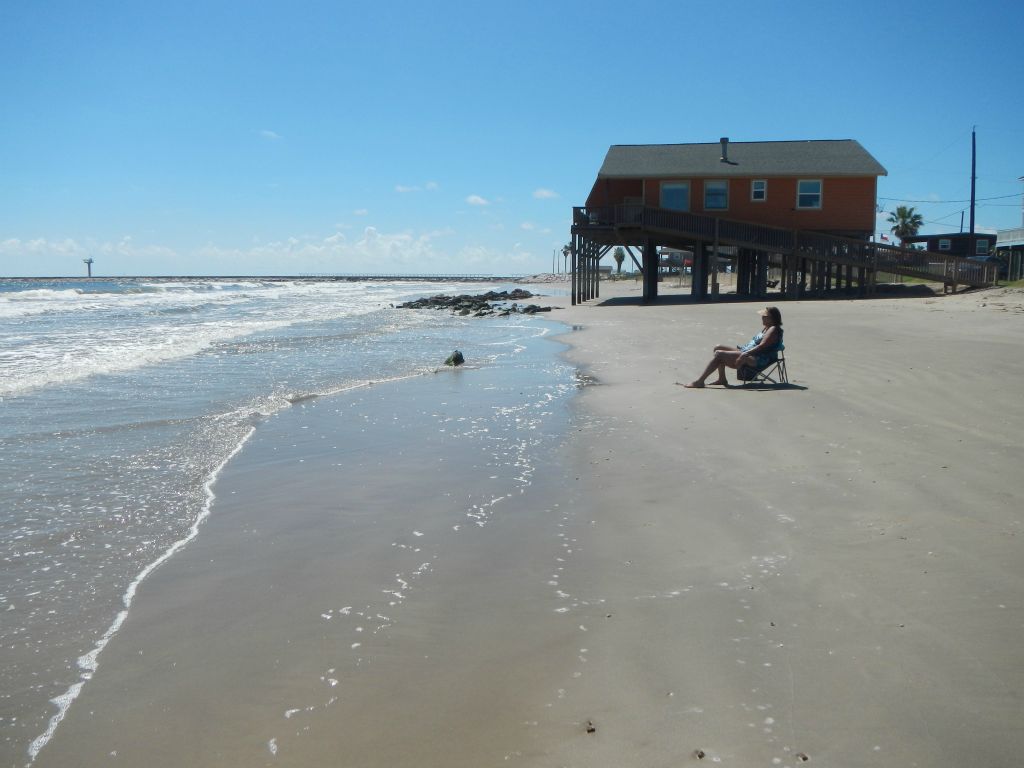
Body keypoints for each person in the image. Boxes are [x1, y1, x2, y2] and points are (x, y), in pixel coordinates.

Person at [684, 306, 783, 388]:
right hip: (748, 352)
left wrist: (744, 354)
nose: (762, 317)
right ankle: (722, 379)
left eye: (764, 316)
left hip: (758, 358)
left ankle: (700, 381)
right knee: (717, 347)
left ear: (772, 318)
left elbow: (762, 346)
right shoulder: (767, 327)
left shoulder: (773, 329)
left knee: (719, 354)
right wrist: (744, 351)